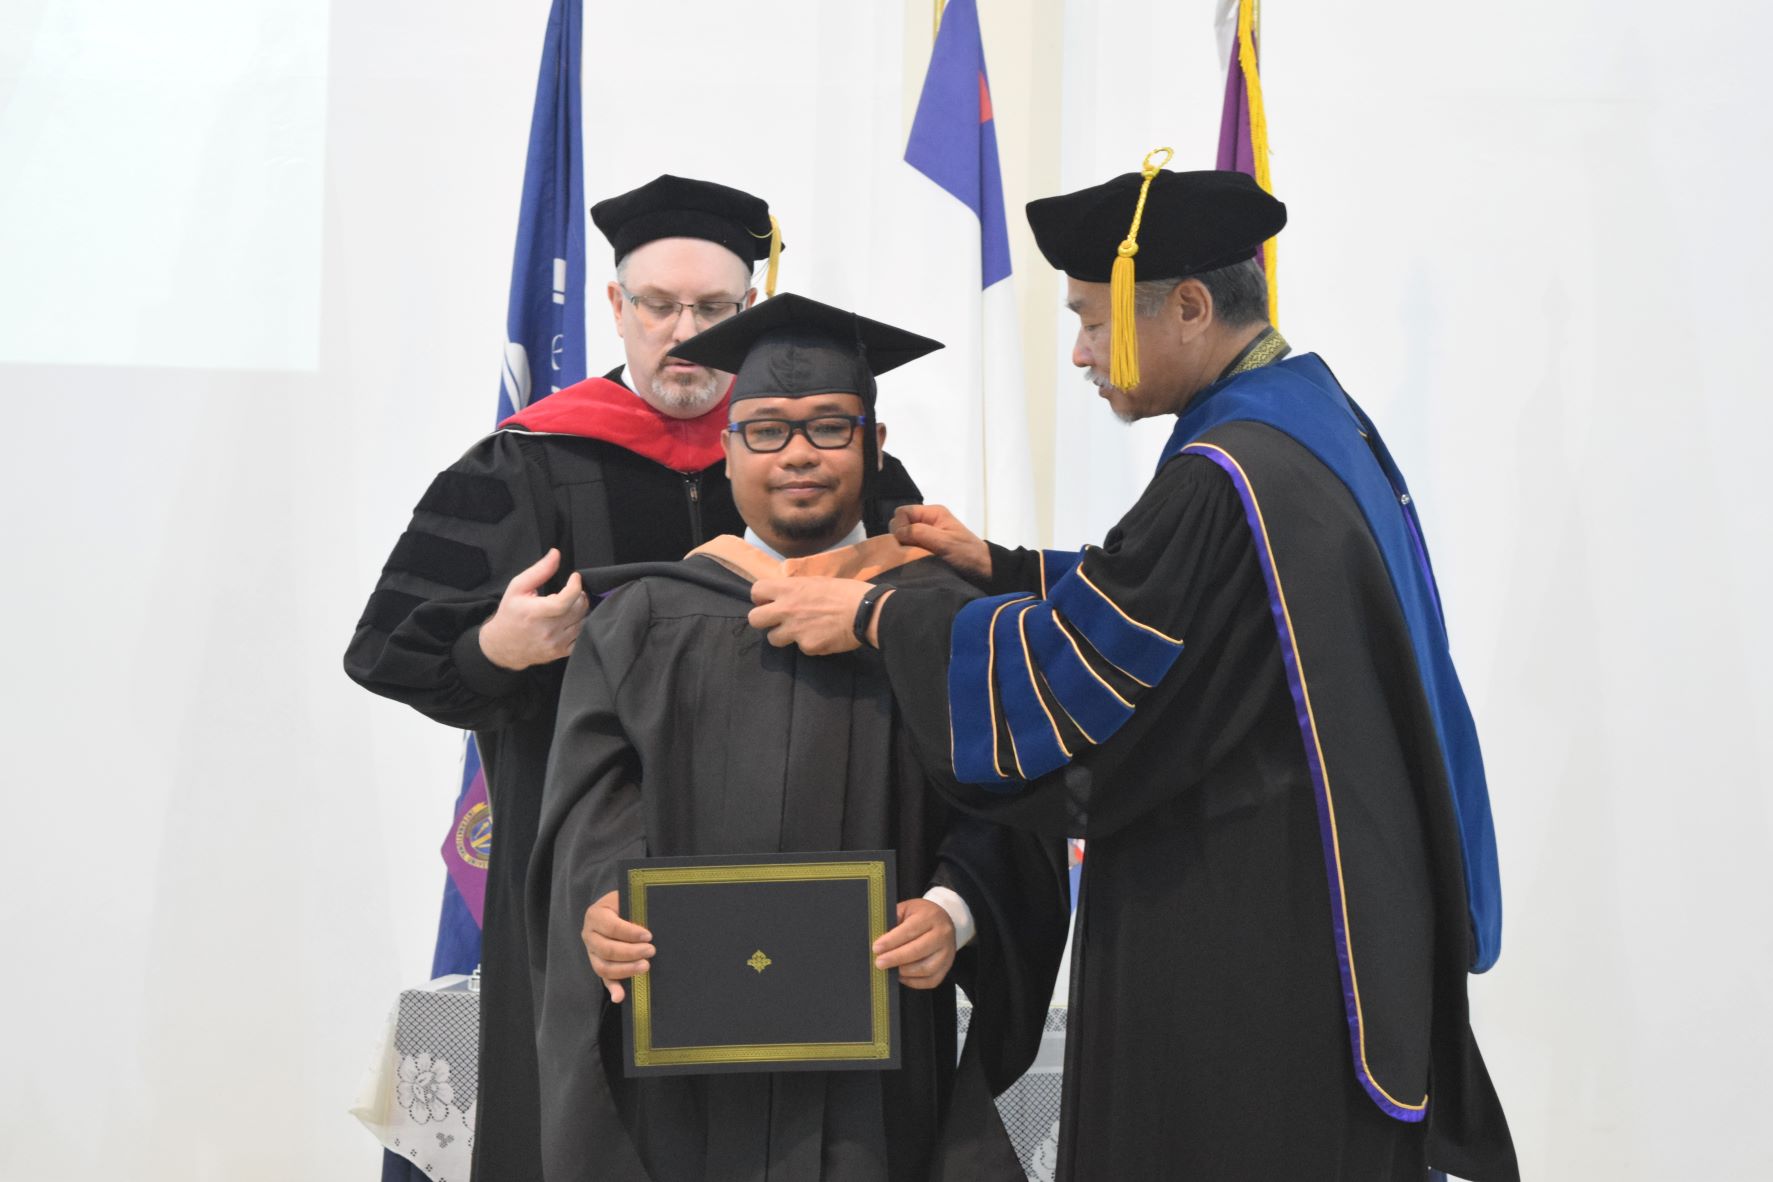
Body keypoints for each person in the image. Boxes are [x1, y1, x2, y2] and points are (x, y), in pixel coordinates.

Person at [746, 163, 1519, 1180]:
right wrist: (1007, 568)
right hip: (1330, 913)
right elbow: (1203, 618)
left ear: (1191, 308)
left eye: (1093, 321)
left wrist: (880, 613)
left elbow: (1070, 681)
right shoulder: (1309, 425)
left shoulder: (1224, 475)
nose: (1080, 352)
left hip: (1246, 936)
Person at [343, 177, 922, 1181]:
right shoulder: (526, 464)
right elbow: (384, 647)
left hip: (804, 863)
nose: (684, 332)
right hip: (592, 861)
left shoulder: (820, 464)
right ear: (617, 307)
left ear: (750, 315)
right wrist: (498, 649)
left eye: (714, 310)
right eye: (659, 305)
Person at [526, 294, 1069, 1182]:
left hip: (881, 1061)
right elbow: (591, 805)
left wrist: (954, 911)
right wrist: (600, 903)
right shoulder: (646, 621)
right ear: (727, 449)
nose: (799, 455)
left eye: (828, 426)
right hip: (687, 1053)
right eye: (767, 430)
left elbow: (1011, 805)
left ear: (874, 442)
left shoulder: (942, 614)